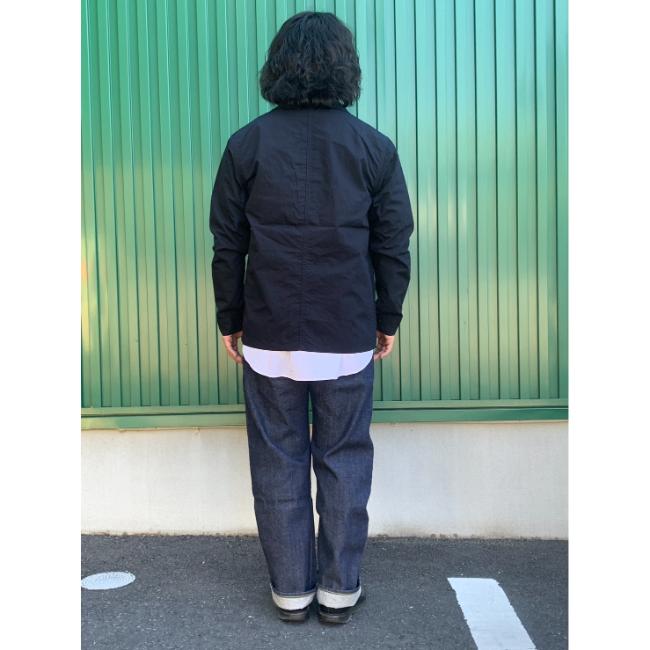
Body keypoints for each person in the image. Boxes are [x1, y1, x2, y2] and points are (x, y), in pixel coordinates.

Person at [209, 10, 414, 625]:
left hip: (269, 330)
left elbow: (227, 243)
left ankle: (291, 591)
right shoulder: (373, 147)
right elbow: (392, 243)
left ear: (277, 67)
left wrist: (230, 319)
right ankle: (339, 590)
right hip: (346, 331)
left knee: (278, 459)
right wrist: (387, 317)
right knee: (344, 456)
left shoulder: (246, 144)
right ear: (347, 69)